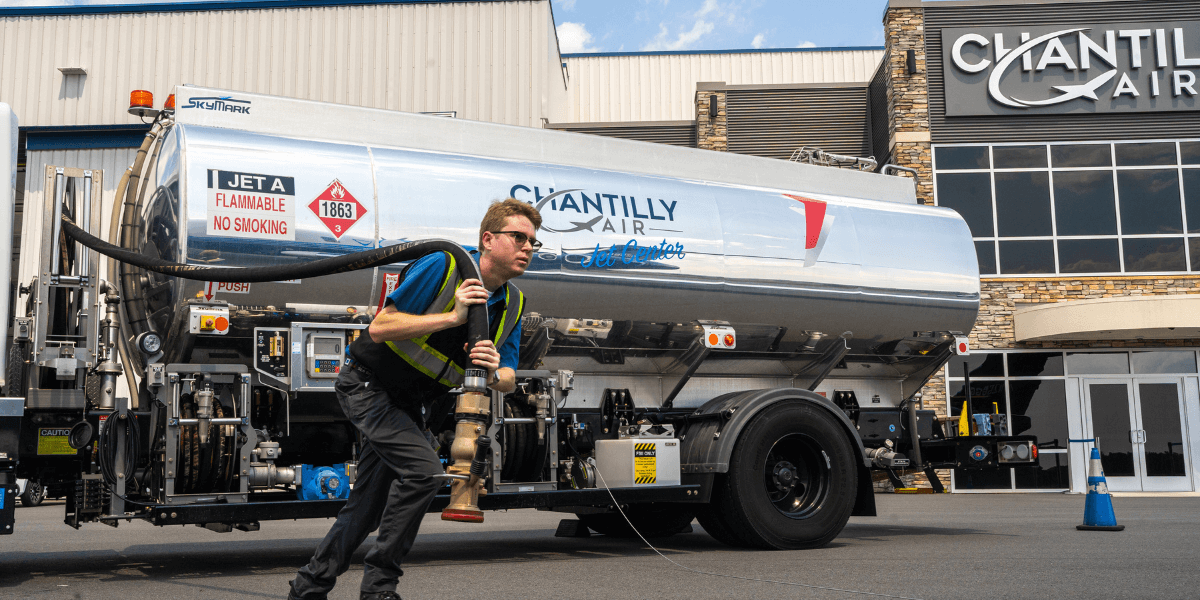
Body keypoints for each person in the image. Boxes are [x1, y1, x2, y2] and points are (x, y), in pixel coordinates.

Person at [289, 198, 542, 600]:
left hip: (412, 404)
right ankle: (379, 588)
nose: (528, 247)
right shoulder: (442, 267)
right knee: (425, 472)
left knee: (366, 507)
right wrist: (452, 318)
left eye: (533, 241)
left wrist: (496, 371)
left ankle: (308, 587)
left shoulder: (513, 302)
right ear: (488, 240)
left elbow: (509, 378)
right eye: (519, 237)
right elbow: (381, 326)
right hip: (369, 386)